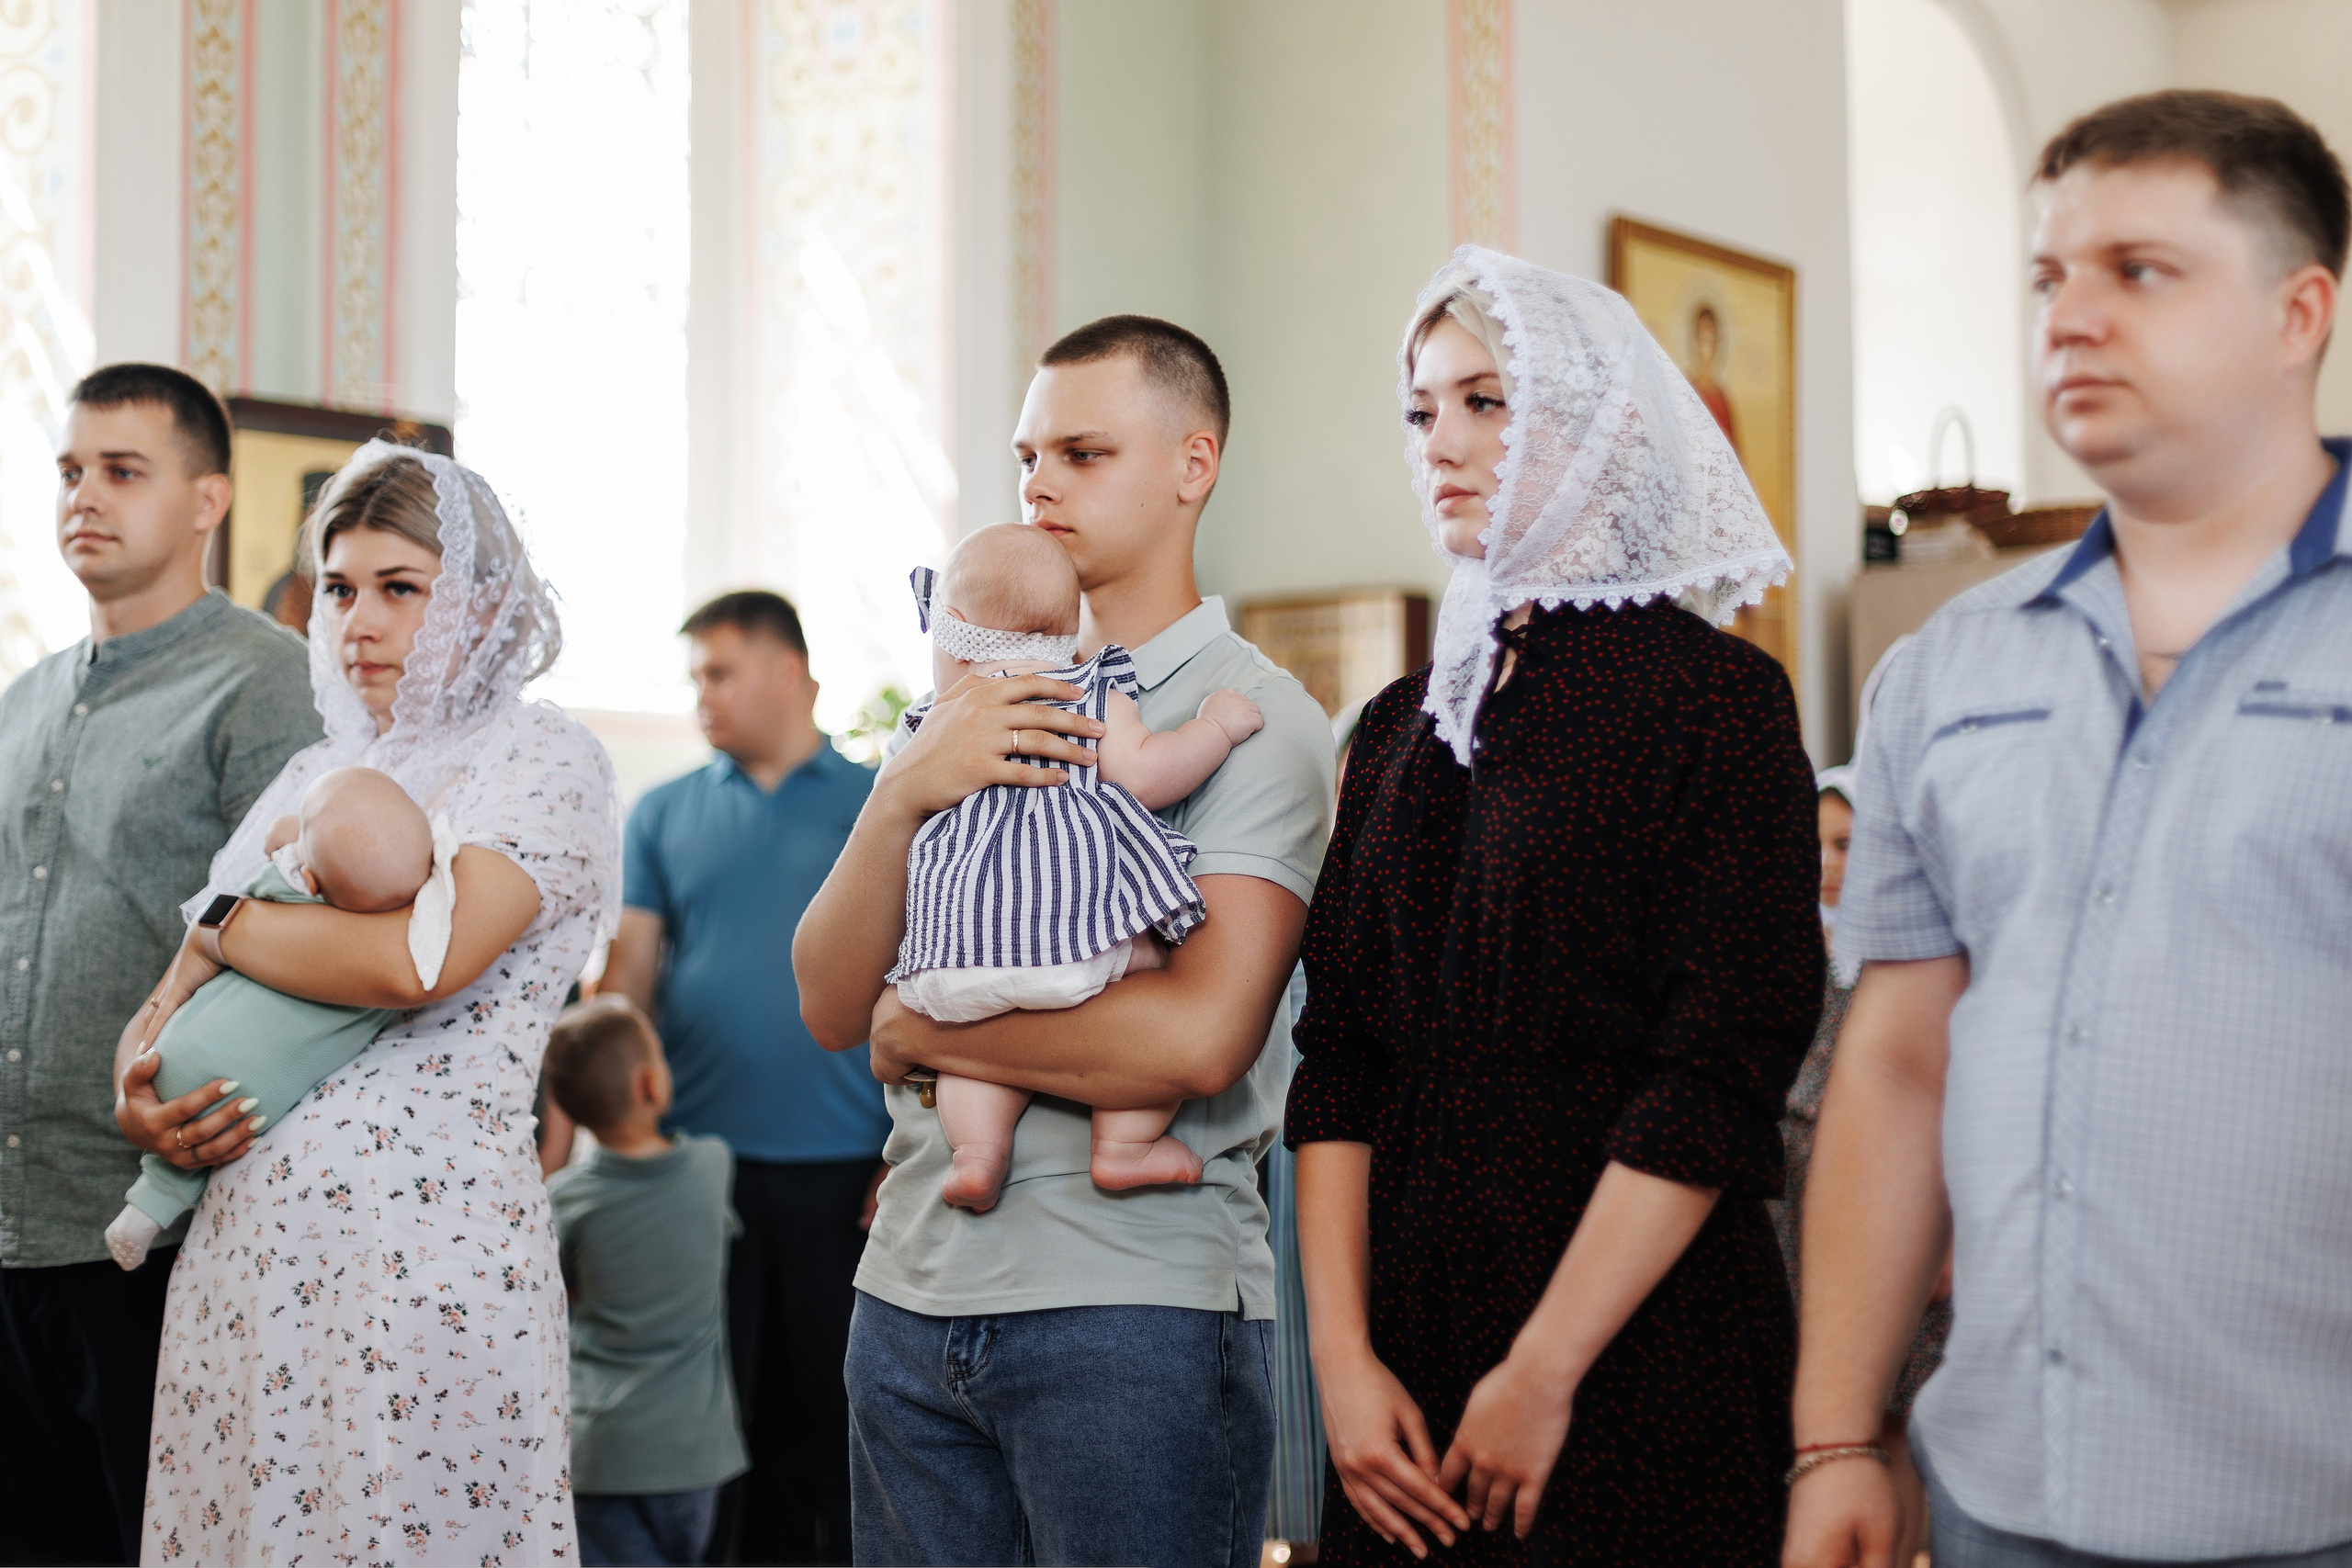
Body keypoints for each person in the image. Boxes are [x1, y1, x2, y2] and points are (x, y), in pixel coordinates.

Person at [1784, 91, 2352, 1568]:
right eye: (2049, 278)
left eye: (2138, 272)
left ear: (2300, 312)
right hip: (2007, 1490)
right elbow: (1901, 1058)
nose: (2071, 318)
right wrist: (1841, 1429)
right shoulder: (1945, 670)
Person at [1288, 248, 1818, 1565]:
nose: (1441, 444)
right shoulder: (1403, 722)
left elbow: (1717, 1072)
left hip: (1634, 1346)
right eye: (1421, 410)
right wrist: (1342, 1362)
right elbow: (1339, 1056)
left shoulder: (1719, 702)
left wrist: (1543, 1367)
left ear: (1598, 427)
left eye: (1487, 401)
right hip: (1403, 1353)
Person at [794, 313, 1335, 1568]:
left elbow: (1194, 1038)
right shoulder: (966, 697)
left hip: (1131, 1308)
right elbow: (828, 1002)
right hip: (909, 1294)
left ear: (1193, 464)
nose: (1039, 484)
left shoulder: (1251, 717)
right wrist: (901, 787)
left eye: (1084, 452)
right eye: (1028, 454)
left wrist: (920, 1021)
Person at [112, 441, 618, 1563]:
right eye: (339, 588)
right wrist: (137, 1098)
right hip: (249, 1269)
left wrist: (233, 926)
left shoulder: (541, 758)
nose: (361, 623)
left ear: (484, 601)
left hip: (426, 1265)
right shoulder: (311, 775)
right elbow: (167, 999)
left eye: (401, 589)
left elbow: (417, 962)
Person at [0, 363, 321, 1566]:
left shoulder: (262, 677)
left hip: (160, 1220)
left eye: (122, 470)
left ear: (207, 500)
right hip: (13, 1214)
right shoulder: (25, 694)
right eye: (71, 470)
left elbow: (297, 928)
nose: (85, 495)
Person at [600, 588, 886, 1566]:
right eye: (694, 680)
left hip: (850, 1172)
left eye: (717, 674)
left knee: (846, 1419)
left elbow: (926, 984)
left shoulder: (880, 805)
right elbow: (626, 983)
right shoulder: (664, 812)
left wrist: (909, 1151)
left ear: (792, 673)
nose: (702, 699)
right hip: (697, 1169)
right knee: (727, 1423)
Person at [892, 525, 1264, 1210]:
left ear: (959, 633)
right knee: (1157, 956)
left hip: (947, 960)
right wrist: (1215, 728)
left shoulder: (927, 726)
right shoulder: (1084, 692)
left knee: (976, 1047)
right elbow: (1151, 775)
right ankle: (1125, 1146)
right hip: (1071, 940)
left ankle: (976, 1154)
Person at [104, 765, 446, 1269]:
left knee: (197, 1132)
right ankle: (147, 1209)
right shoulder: (407, 930)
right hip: (262, 1095)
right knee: (214, 1134)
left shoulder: (288, 888)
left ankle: (142, 1209)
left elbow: (209, 932)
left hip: (183, 1051)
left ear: (305, 874)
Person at [1768, 769, 1948, 1568]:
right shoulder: (1787, 945)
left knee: (1893, 1419)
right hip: (1803, 1218)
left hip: (1893, 1220)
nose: (1830, 863)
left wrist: (1942, 1238)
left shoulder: (1906, 956)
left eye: (1847, 843)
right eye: (1815, 846)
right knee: (1831, 1431)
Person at [546, 996, 750, 1568]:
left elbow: (557, 1300)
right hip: (692, 1454)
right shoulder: (713, 1168)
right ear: (650, 1085)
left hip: (601, 1453)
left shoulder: (565, 1202)